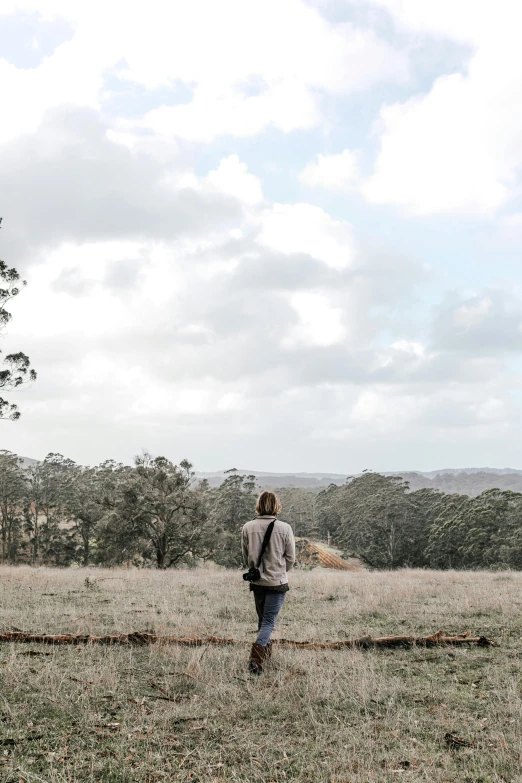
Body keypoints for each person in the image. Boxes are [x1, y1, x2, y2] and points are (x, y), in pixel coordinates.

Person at [241, 490, 295, 674]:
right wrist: (279, 571)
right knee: (268, 621)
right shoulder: (285, 528)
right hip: (277, 582)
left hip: (257, 582)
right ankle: (255, 659)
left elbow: (245, 556)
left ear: (259, 505)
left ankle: (264, 656)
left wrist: (257, 570)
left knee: (263, 620)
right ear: (276, 506)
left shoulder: (248, 527)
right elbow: (291, 558)